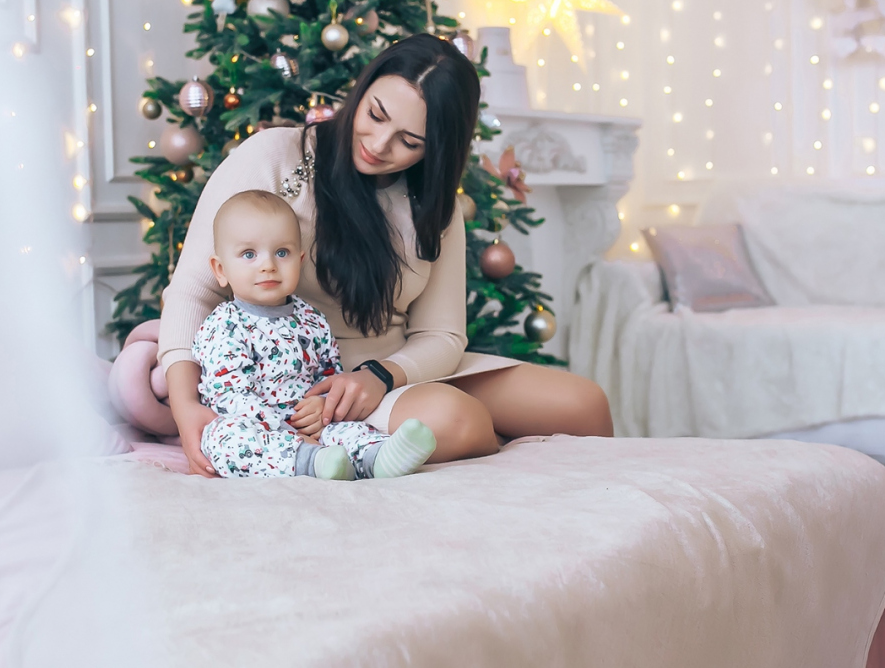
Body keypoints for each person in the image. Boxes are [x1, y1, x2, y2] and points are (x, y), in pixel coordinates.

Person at [158, 33, 614, 478]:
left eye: (409, 141)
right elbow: (192, 292)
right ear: (363, 89)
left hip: (393, 373)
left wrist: (381, 376)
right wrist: (186, 409)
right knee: (457, 421)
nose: (378, 144)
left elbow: (441, 334)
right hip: (304, 386)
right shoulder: (276, 156)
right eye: (375, 115)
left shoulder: (437, 206)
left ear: (437, 148)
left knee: (585, 404)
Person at [191, 188, 438, 480]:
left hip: (312, 421)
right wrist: (285, 431)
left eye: (282, 253)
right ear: (221, 270)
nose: (268, 265)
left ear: (300, 260)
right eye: (249, 254)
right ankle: (310, 462)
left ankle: (378, 457)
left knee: (349, 427)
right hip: (257, 426)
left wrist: (322, 409)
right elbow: (229, 395)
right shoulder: (223, 324)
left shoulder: (311, 319)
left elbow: (328, 376)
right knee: (223, 439)